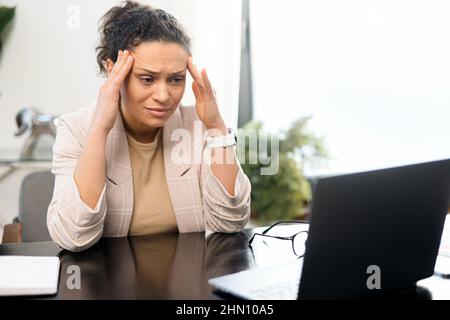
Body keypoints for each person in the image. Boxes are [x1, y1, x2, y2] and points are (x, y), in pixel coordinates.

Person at [47, 1, 251, 252]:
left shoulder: (197, 126)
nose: (163, 95)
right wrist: (99, 129)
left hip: (185, 283)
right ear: (114, 71)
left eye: (176, 79)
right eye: (147, 79)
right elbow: (73, 236)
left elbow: (230, 222)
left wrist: (217, 126)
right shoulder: (77, 128)